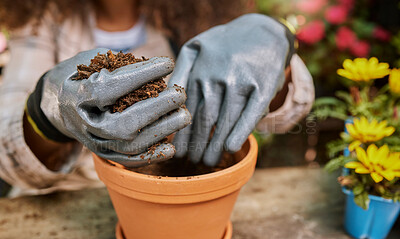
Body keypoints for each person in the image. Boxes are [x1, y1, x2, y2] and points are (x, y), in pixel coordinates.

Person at [0, 0, 314, 196]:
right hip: (69, 197)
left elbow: (284, 117)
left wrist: (275, 47)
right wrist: (45, 113)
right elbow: (6, 151)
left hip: (190, 193)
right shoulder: (41, 18)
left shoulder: (201, 9)